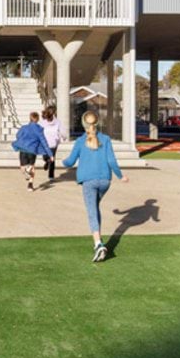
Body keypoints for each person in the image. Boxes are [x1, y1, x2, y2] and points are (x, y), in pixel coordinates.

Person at [62, 111, 128, 262]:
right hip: (105, 181)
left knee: (91, 211)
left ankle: (98, 244)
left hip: (88, 181)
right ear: (97, 123)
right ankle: (98, 240)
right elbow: (111, 161)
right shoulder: (106, 139)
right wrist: (121, 176)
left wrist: (61, 162)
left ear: (83, 124)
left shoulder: (80, 141)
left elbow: (70, 161)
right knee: (95, 208)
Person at [12, 112, 52, 189]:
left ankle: (27, 170)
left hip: (23, 149)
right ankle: (30, 184)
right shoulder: (39, 129)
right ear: (37, 120)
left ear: (30, 118)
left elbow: (18, 135)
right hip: (33, 151)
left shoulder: (24, 128)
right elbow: (44, 141)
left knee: (22, 167)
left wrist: (23, 139)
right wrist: (50, 154)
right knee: (32, 166)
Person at [38, 106, 64, 181]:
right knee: (52, 158)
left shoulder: (43, 122)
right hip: (53, 142)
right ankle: (51, 175)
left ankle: (48, 163)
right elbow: (62, 131)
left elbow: (39, 131)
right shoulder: (57, 122)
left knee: (46, 157)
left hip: (45, 143)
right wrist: (63, 137)